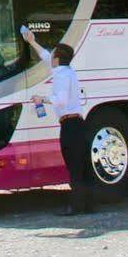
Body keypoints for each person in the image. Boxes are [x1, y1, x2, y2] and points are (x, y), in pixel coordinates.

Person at [23, 27, 92, 214]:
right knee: (80, 166)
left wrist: (41, 99)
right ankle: (85, 205)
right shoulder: (66, 71)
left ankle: (76, 207)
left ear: (57, 58)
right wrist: (32, 41)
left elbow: (60, 100)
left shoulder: (61, 75)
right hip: (77, 124)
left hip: (70, 126)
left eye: (53, 53)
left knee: (74, 166)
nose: (50, 55)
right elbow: (46, 56)